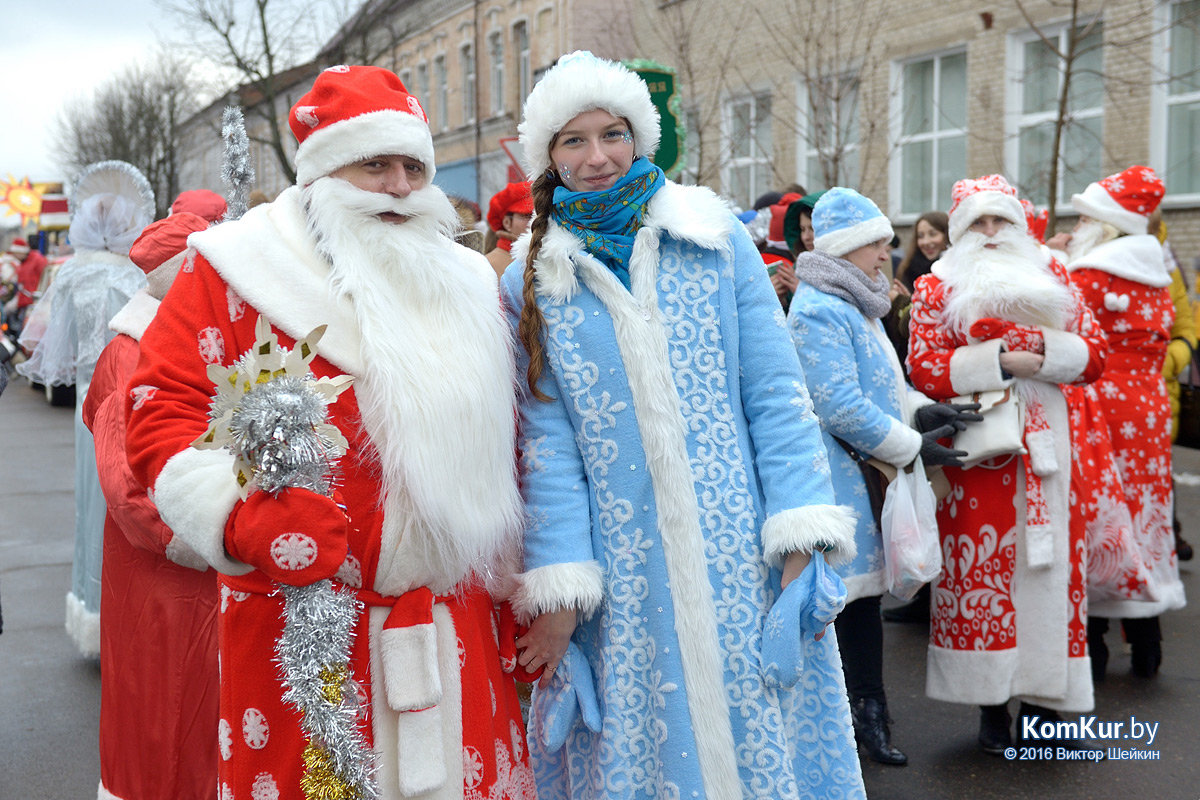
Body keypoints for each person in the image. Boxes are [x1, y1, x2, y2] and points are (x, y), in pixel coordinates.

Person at [124, 65, 535, 799]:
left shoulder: (470, 284)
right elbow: (161, 407)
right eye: (374, 164)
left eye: (413, 166)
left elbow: (510, 449)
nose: (400, 186)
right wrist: (241, 515)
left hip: (457, 626)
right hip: (302, 630)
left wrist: (523, 588)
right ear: (320, 174)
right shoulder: (236, 271)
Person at [501, 51, 864, 799]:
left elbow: (775, 392)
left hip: (742, 552)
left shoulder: (713, 237)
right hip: (625, 575)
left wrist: (800, 534)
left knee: (763, 740)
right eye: (574, 141)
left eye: (612, 134)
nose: (598, 156)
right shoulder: (531, 280)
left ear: (641, 137)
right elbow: (549, 446)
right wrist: (564, 590)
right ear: (548, 156)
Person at [907, 174, 1108, 755]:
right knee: (983, 568)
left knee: (1050, 570)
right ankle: (992, 705)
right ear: (961, 231)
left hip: (1051, 445)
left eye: (1000, 221)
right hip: (984, 448)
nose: (991, 233)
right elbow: (923, 366)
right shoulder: (936, 287)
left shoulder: (1056, 273)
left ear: (1019, 224)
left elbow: (1095, 355)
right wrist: (998, 358)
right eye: (978, 223)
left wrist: (1042, 357)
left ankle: (1049, 704)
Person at [82, 211, 219, 800]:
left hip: (209, 558)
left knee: (203, 712)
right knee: (161, 706)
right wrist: (191, 538)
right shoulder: (130, 353)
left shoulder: (191, 336)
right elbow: (124, 479)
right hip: (164, 568)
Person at [17, 160, 154, 657]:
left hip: (85, 400)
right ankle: (126, 618)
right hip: (129, 395)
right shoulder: (137, 274)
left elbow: (64, 343)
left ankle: (91, 606)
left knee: (89, 501)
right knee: (126, 500)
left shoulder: (72, 275)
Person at [1057, 165, 1187, 679]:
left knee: (1097, 512)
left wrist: (1055, 257)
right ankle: (1148, 642)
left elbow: (1060, 322)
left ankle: (1094, 645)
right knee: (1143, 508)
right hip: (1148, 408)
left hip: (1100, 407)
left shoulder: (1089, 273)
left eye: (1085, 215)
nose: (1078, 222)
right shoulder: (1155, 272)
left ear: (1105, 224)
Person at [485, 181, 534, 278]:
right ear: (507, 223)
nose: (534, 220)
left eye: (538, 214)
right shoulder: (487, 265)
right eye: (527, 215)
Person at [3, 237, 48, 335]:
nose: (15, 256)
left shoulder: (37, 260)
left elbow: (46, 276)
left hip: (32, 304)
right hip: (23, 303)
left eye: (16, 253)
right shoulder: (22, 263)